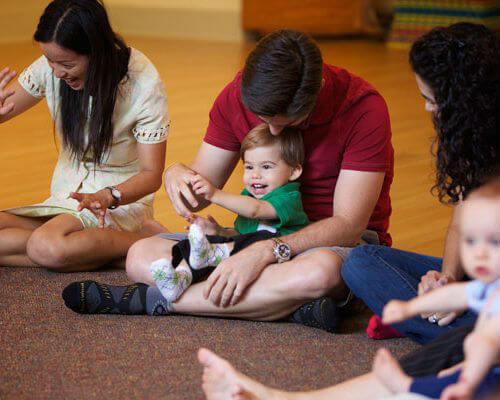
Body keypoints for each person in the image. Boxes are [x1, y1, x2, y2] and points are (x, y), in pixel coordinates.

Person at [62, 28, 394, 329]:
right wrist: (176, 174)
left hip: (329, 244)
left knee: (321, 272)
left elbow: (349, 225)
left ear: (316, 89)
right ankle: (290, 308)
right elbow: (202, 188)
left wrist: (266, 253)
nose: (274, 131)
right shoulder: (238, 95)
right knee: (140, 257)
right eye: (265, 119)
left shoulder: (362, 109)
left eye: (289, 121)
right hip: (251, 236)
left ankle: (157, 302)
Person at [342, 22, 500, 344]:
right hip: (483, 278)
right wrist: (448, 278)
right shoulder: (472, 140)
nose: (428, 108)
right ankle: (455, 331)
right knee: (360, 261)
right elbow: (460, 227)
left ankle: (450, 333)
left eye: (434, 100)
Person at [0, 0, 169, 271]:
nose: (56, 71)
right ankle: (114, 248)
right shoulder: (55, 64)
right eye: (49, 60)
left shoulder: (143, 84)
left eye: (66, 64)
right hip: (66, 199)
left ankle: (143, 239)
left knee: (44, 246)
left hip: (115, 203)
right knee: (43, 247)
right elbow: (6, 108)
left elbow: (151, 175)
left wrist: (109, 196)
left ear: (97, 51)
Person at [140, 123, 308, 303]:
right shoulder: (248, 197)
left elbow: (256, 210)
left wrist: (215, 194)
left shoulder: (289, 198)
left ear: (294, 171)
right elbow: (241, 235)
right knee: (197, 245)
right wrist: (220, 232)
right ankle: (180, 277)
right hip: (243, 260)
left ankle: (211, 255)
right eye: (249, 167)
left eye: (266, 167)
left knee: (259, 239)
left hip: (275, 261)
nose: (255, 175)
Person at [372, 179, 500, 400]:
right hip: (482, 365)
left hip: (488, 367)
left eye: (494, 242)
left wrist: (472, 364)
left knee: (471, 349)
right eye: (471, 241)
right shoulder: (485, 287)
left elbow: (489, 340)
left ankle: (409, 382)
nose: (480, 253)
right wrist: (410, 307)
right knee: (363, 260)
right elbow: (454, 295)